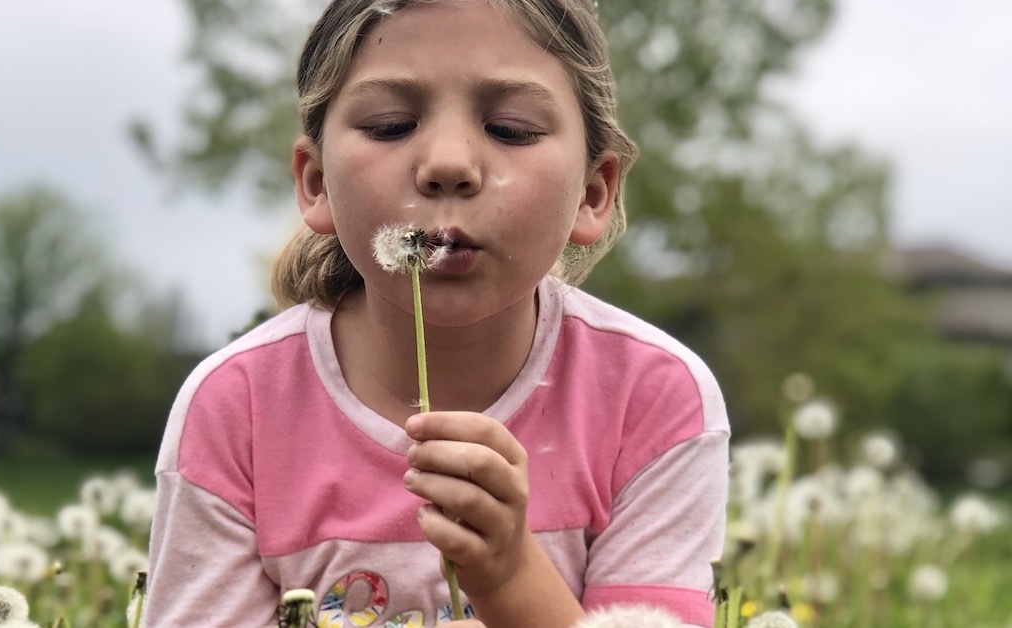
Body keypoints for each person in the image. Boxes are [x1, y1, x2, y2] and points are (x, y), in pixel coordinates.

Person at [145, 0, 729, 626]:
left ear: (594, 192)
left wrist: (508, 574)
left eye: (512, 129)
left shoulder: (653, 398)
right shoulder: (238, 406)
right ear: (315, 183)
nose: (449, 163)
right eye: (391, 125)